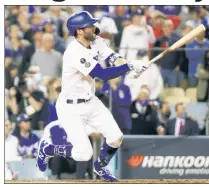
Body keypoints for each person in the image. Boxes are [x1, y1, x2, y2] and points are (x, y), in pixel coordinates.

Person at [36, 11, 143, 182]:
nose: (94, 27)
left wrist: (129, 68)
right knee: (83, 154)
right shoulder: (74, 52)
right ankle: (48, 149)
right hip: (70, 107)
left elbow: (113, 57)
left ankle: (100, 167)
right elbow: (101, 74)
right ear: (79, 30)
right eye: (90, 25)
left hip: (90, 101)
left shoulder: (96, 40)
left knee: (116, 137)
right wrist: (129, 67)